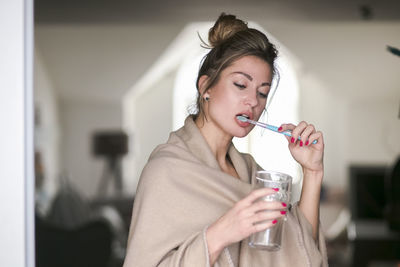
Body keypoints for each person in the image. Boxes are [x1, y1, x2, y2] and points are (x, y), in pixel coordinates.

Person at [123, 13, 328, 267]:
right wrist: (220, 234)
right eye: (241, 85)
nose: (253, 101)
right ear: (206, 87)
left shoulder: (251, 171)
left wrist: (312, 171)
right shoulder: (166, 171)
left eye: (262, 92)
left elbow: (300, 248)